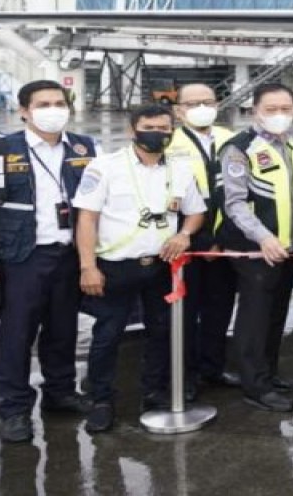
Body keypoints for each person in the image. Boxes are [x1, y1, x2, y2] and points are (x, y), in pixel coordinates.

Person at [0, 80, 98, 443]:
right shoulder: (0, 150)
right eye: (43, 103)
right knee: (17, 334)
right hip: (23, 256)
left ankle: (60, 392)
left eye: (59, 102)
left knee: (63, 328)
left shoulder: (85, 147)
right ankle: (15, 409)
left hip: (69, 254)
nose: (53, 109)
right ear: (24, 111)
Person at [73, 105, 207, 433]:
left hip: (161, 267)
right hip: (115, 266)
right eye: (149, 126)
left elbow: (195, 212)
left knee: (160, 332)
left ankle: (153, 392)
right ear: (133, 130)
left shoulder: (181, 168)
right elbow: (86, 219)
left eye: (164, 127)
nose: (157, 133)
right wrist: (88, 266)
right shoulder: (105, 166)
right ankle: (102, 400)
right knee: (108, 335)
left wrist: (184, 234)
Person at [216, 83, 293, 412]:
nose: (279, 115)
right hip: (257, 250)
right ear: (255, 110)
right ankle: (254, 385)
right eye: (271, 109)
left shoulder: (288, 144)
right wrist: (264, 238)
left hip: (286, 248)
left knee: (275, 315)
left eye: (286, 109)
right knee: (254, 319)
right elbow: (235, 204)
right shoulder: (240, 148)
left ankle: (269, 373)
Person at [165, 83, 240, 393]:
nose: (201, 108)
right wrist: (201, 239)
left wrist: (224, 238)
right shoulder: (169, 142)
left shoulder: (231, 139)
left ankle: (214, 367)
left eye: (207, 101)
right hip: (187, 241)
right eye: (192, 103)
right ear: (179, 109)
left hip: (225, 241)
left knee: (220, 307)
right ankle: (186, 374)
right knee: (185, 311)